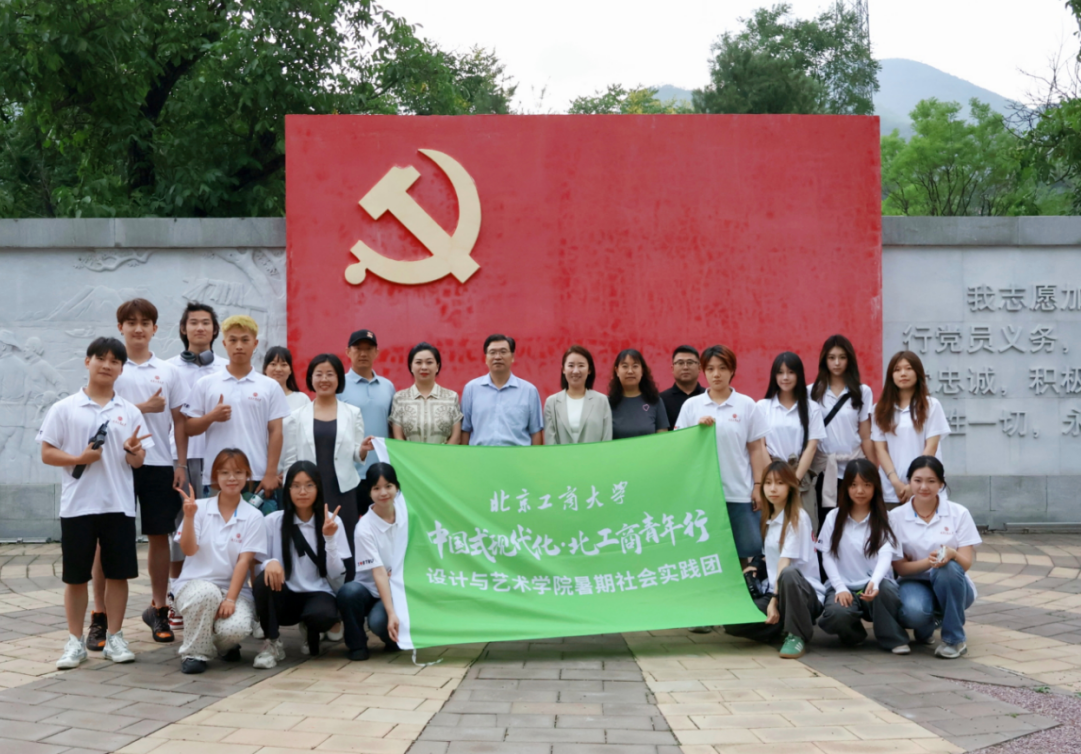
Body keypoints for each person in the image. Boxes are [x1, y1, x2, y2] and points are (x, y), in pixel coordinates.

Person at [38, 337, 150, 669]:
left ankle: (115, 637)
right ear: (87, 362)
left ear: (121, 369)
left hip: (118, 504)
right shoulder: (65, 408)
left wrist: (134, 452)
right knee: (75, 577)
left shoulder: (129, 411)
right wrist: (79, 458)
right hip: (78, 506)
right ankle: (75, 641)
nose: (107, 365)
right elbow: (47, 453)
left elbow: (139, 461)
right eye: (101, 358)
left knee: (118, 575)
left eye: (115, 361)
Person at [113, 298, 187, 645]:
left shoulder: (169, 371)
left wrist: (180, 463)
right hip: (117, 465)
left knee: (160, 536)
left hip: (158, 464)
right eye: (131, 322)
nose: (138, 328)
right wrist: (143, 407)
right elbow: (103, 409)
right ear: (121, 328)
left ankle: (159, 608)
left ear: (155, 329)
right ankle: (101, 614)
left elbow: (179, 421)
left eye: (145, 322)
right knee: (110, 536)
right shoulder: (112, 366)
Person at [173, 449, 267, 674]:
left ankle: (223, 645)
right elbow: (188, 549)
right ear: (215, 476)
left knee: (236, 628)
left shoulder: (253, 516)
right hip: (194, 586)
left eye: (238, 472)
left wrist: (231, 599)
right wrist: (188, 517)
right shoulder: (199, 508)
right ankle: (194, 653)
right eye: (224, 472)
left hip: (234, 591)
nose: (232, 478)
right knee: (207, 593)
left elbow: (244, 561)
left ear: (247, 475)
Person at [675, 345, 770, 564]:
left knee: (745, 552)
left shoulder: (747, 405)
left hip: (739, 492)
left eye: (722, 368)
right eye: (710, 369)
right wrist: (697, 431)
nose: (716, 374)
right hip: (704, 494)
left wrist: (758, 486)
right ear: (703, 371)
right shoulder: (691, 406)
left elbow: (756, 449)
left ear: (732, 370)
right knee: (708, 553)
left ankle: (746, 585)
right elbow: (680, 448)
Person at [253, 461, 348, 668]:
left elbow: (337, 573)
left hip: (318, 593)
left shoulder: (333, 521)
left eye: (309, 485)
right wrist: (270, 562)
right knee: (263, 581)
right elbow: (258, 563)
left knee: (322, 616)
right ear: (287, 490)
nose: (302, 492)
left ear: (318, 488)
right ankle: (272, 643)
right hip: (285, 595)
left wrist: (329, 539)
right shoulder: (273, 521)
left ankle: (310, 628)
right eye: (295, 485)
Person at [725, 461, 825, 659]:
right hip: (775, 591)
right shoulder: (768, 518)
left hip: (803, 594)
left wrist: (774, 600)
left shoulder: (798, 517)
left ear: (790, 487)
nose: (773, 488)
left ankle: (797, 635)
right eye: (768, 483)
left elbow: (784, 562)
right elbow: (768, 556)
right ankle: (785, 625)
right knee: (733, 623)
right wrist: (754, 566)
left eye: (780, 483)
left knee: (789, 573)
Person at [183, 315, 290, 498]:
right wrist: (212, 417)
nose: (239, 346)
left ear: (255, 343)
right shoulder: (206, 383)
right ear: (224, 344)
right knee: (215, 518)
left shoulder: (270, 386)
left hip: (256, 475)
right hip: (217, 476)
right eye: (233, 340)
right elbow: (189, 428)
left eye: (245, 340)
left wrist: (270, 473)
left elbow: (276, 431)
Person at [281, 353, 368, 575]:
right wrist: (290, 490)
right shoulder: (296, 416)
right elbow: (290, 459)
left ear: (339, 379)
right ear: (311, 378)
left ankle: (348, 586)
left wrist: (363, 450)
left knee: (346, 539)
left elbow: (356, 453)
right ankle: (314, 583)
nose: (324, 379)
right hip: (309, 491)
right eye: (318, 374)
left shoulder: (353, 413)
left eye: (330, 374)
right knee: (313, 538)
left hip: (343, 489)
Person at [890, 456, 981, 659]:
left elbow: (965, 564)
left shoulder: (959, 513)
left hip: (953, 584)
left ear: (941, 483)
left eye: (931, 481)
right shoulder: (895, 517)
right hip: (914, 581)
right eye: (918, 480)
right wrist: (930, 562)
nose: (924, 487)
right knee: (914, 613)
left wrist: (952, 554)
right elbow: (901, 568)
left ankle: (955, 640)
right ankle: (929, 622)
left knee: (947, 568)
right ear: (909, 482)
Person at [817, 459, 908, 653]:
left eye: (867, 485)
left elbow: (886, 554)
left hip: (876, 586)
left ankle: (893, 638)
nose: (860, 491)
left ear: (875, 486)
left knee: (886, 589)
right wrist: (839, 587)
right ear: (846, 487)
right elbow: (827, 555)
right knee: (837, 615)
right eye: (854, 485)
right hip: (844, 586)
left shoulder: (887, 518)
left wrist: (874, 582)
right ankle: (853, 634)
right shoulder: (834, 517)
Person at [337, 463, 406, 661]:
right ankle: (357, 645)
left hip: (400, 587)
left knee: (380, 622)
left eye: (388, 486)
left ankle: (395, 640)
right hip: (371, 588)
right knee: (349, 593)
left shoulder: (408, 516)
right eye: (376, 488)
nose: (383, 493)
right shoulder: (364, 527)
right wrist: (391, 613)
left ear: (397, 487)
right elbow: (378, 572)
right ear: (369, 492)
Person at [809, 335, 876, 524]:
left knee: (856, 520)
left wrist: (873, 469)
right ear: (824, 360)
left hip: (854, 469)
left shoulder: (862, 391)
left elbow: (865, 435)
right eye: (831, 357)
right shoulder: (811, 392)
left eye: (842, 357)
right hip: (823, 470)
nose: (837, 363)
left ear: (849, 360)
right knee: (826, 523)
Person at [758, 352, 826, 531]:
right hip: (772, 476)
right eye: (780, 372)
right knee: (774, 529)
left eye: (791, 372)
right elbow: (760, 446)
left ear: (799, 375)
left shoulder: (812, 408)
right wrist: (774, 479)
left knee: (804, 528)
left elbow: (811, 447)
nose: (785, 377)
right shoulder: (762, 407)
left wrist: (792, 482)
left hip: (799, 477)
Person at [872, 351, 951, 506]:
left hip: (925, 488)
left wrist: (914, 483)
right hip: (891, 489)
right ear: (891, 375)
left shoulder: (931, 405)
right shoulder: (879, 409)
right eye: (897, 369)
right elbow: (880, 450)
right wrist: (896, 482)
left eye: (908, 368)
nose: (903, 373)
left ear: (917, 372)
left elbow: (931, 447)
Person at [167, 302, 225, 496]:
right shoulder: (168, 369)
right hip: (177, 456)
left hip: (218, 455)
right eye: (194, 323)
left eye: (206, 323)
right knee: (182, 512)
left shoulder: (227, 369)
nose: (200, 328)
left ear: (215, 329)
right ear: (183, 329)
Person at [460, 334, 543, 446]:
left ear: (512, 357)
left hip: (518, 455)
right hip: (480, 455)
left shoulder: (529, 391)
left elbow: (535, 432)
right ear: (485, 358)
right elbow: (465, 430)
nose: (498, 357)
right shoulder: (471, 389)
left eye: (503, 352)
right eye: (492, 352)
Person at [389, 342, 463, 445]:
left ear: (437, 366)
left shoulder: (451, 397)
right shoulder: (400, 398)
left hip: (444, 455)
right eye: (418, 362)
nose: (424, 367)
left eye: (429, 362)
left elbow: (456, 437)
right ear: (411, 366)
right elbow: (397, 437)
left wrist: (442, 454)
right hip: (408, 455)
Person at [543, 345, 612, 444]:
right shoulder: (551, 403)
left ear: (589, 370)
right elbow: (550, 442)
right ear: (563, 369)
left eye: (581, 365)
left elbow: (607, 439)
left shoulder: (602, 401)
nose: (575, 371)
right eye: (571, 365)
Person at [608, 349, 669, 439]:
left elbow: (663, 439)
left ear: (642, 371)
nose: (630, 371)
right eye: (625, 366)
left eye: (635, 366)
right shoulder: (607, 403)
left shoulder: (655, 401)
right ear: (617, 371)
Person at [660, 345, 705, 428]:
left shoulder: (709, 396)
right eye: (680, 363)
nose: (685, 367)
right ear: (672, 369)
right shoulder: (661, 400)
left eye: (690, 362)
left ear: (699, 368)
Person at [263, 346, 311, 413]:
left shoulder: (302, 399)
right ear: (265, 369)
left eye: (283, 365)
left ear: (290, 370)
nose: (278, 369)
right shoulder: (256, 397)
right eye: (273, 364)